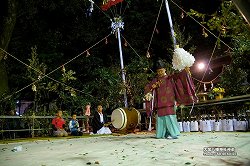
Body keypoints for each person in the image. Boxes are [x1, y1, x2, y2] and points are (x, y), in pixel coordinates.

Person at [144, 59, 197, 139]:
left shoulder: (170, 78)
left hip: (170, 102)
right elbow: (148, 87)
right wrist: (151, 89)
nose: (160, 73)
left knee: (170, 117)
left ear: (165, 69)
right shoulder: (155, 80)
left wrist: (185, 71)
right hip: (159, 104)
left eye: (161, 71)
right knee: (160, 119)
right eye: (158, 71)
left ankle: (174, 134)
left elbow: (180, 76)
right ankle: (161, 134)